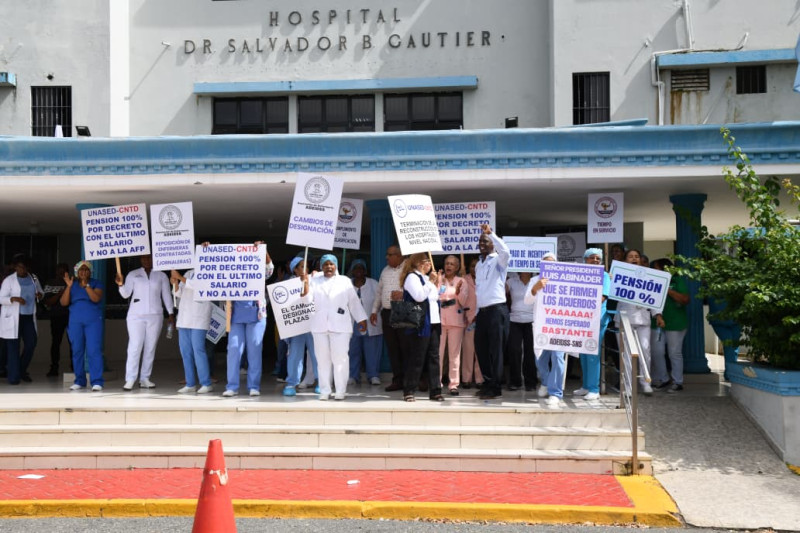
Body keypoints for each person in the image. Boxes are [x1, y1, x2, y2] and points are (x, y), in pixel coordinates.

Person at [300, 254, 367, 401]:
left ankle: (341, 390)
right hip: (319, 326)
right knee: (322, 360)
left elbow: (354, 302)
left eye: (331, 264)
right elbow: (306, 301)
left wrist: (361, 319)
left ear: (336, 266)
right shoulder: (313, 280)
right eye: (325, 264)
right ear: (321, 266)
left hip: (341, 326)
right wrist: (305, 284)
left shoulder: (344, 281)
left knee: (340, 359)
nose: (328, 267)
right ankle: (325, 390)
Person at [222, 242, 274, 397]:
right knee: (233, 350)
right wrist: (206, 250)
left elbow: (269, 268)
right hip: (235, 317)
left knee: (254, 351)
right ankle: (232, 386)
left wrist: (263, 250)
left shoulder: (258, 270)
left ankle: (254, 386)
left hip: (256, 317)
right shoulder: (229, 272)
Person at [116, 254, 174, 390]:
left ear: (154, 258)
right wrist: (120, 284)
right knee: (135, 346)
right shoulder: (133, 274)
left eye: (149, 257)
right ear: (140, 259)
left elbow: (166, 294)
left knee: (150, 347)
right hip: (136, 315)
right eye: (144, 258)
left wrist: (171, 313)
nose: (147, 260)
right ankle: (130, 378)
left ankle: (145, 378)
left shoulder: (161, 275)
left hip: (155, 315)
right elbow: (125, 294)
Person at [398, 253, 442, 402]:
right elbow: (419, 296)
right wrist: (430, 282)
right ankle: (409, 390)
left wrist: (433, 283)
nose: (429, 263)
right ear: (417, 263)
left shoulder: (426, 278)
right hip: (421, 322)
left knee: (434, 357)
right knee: (417, 357)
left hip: (434, 322)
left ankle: (435, 390)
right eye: (426, 261)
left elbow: (434, 299)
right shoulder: (412, 277)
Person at [613, 249, 657, 396]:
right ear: (625, 260)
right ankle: (628, 386)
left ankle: (646, 383)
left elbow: (655, 298)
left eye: (636, 256)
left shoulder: (649, 277)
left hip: (643, 319)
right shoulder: (619, 275)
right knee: (626, 354)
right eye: (630, 257)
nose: (634, 258)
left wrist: (658, 315)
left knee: (645, 350)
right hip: (624, 319)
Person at [474, 224, 511, 400]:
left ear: (493, 244)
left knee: (496, 350)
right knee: (481, 349)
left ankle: (495, 387)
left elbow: (506, 252)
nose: (482, 243)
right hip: (482, 312)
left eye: (486, 240)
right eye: (481, 240)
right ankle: (488, 382)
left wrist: (492, 234)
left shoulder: (498, 260)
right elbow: (479, 290)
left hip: (497, 310)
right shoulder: (478, 265)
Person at [525, 252, 565, 405]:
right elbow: (527, 301)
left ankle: (555, 392)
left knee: (558, 358)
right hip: (541, 326)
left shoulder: (564, 280)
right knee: (541, 360)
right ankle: (546, 382)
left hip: (559, 326)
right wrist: (535, 289)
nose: (549, 265)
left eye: (552, 263)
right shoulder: (535, 279)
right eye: (546, 263)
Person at [573, 248, 611, 401]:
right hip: (582, 319)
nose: (595, 260)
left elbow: (603, 296)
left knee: (592, 354)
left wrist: (587, 305)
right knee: (582, 354)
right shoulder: (579, 275)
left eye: (598, 258)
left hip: (597, 318)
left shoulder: (604, 275)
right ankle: (586, 386)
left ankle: (594, 389)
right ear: (585, 259)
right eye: (592, 258)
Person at [61, 260, 104, 391]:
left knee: (94, 350)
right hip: (75, 322)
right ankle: (79, 380)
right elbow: (63, 303)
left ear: (90, 272)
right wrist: (68, 286)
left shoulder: (96, 283)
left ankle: (96, 381)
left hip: (93, 322)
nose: (83, 272)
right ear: (77, 272)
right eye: (81, 270)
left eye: (86, 270)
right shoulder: (72, 285)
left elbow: (96, 298)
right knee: (77, 350)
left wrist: (86, 286)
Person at [0, 254, 43, 385]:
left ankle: (21, 370)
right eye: (19, 267)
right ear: (15, 267)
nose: (22, 270)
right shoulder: (9, 280)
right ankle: (14, 377)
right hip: (13, 317)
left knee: (31, 344)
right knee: (13, 347)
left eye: (24, 268)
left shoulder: (34, 278)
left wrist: (39, 295)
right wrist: (13, 299)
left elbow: (41, 293)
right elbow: (1, 298)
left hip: (28, 317)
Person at [649, 258, 689, 393]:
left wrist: (667, 289)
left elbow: (685, 299)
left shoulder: (677, 280)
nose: (654, 271)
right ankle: (663, 379)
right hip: (657, 323)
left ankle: (678, 382)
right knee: (657, 352)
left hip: (675, 323)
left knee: (674, 353)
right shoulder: (651, 281)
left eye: (656, 268)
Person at [171, 268, 214, 394]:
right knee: (185, 351)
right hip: (184, 317)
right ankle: (190, 384)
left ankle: (206, 383)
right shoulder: (188, 273)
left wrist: (179, 277)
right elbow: (178, 294)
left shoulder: (210, 270)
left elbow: (200, 286)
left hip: (199, 317)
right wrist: (174, 282)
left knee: (198, 350)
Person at [370, 245, 406, 392]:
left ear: (399, 256)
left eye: (390, 254)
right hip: (387, 312)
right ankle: (397, 380)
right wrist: (374, 310)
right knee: (393, 349)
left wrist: (403, 293)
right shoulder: (385, 270)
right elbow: (379, 292)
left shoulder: (408, 269)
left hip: (404, 312)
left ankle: (412, 380)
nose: (387, 257)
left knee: (406, 348)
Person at [282, 256, 317, 397]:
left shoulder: (315, 279)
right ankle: (291, 383)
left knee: (317, 354)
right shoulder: (287, 285)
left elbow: (332, 275)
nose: (305, 269)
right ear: (295, 269)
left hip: (313, 323)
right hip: (296, 326)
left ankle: (321, 381)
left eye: (306, 266)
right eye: (301, 266)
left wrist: (315, 274)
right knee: (295, 355)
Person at [347, 259, 383, 386]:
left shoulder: (373, 284)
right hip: (352, 324)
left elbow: (380, 300)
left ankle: (373, 375)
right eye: (355, 268)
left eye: (361, 268)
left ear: (365, 271)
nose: (358, 271)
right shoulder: (346, 285)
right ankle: (352, 375)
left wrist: (376, 312)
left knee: (372, 351)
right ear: (352, 270)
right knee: (353, 351)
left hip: (371, 324)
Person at [437, 255, 468, 395]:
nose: (448, 266)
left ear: (456, 267)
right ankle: (436, 382)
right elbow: (437, 297)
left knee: (454, 355)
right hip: (440, 321)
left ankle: (453, 384)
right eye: (446, 263)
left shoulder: (462, 281)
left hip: (456, 321)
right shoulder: (440, 279)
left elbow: (463, 301)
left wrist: (457, 292)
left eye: (451, 264)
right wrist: (439, 282)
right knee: (438, 353)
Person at [506, 271, 536, 391]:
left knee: (530, 352)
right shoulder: (511, 280)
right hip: (514, 320)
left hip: (532, 320)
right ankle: (515, 381)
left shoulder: (536, 281)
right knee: (514, 351)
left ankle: (530, 382)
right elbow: (501, 291)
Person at [43, 263, 71, 377]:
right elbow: (47, 302)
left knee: (73, 343)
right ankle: (54, 368)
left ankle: (75, 366)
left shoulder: (71, 283)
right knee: (55, 343)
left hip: (70, 316)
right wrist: (60, 295)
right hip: (56, 316)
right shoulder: (50, 283)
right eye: (59, 272)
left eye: (63, 272)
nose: (60, 274)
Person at [460, 257, 483, 389]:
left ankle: (479, 379)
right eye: (472, 266)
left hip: (482, 318)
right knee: (468, 350)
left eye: (476, 266)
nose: (474, 268)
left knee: (481, 350)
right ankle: (466, 379)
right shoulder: (464, 279)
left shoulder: (484, 280)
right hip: (468, 319)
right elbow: (461, 300)